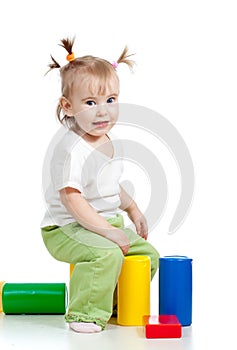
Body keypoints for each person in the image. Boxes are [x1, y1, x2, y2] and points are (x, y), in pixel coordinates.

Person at [41, 37, 159, 333]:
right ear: (68, 107)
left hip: (103, 223)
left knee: (148, 256)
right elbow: (73, 199)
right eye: (91, 103)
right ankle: (84, 313)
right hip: (66, 228)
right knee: (106, 252)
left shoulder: (106, 139)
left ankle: (116, 303)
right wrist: (108, 231)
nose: (103, 111)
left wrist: (133, 210)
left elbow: (109, 185)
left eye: (111, 100)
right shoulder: (71, 148)